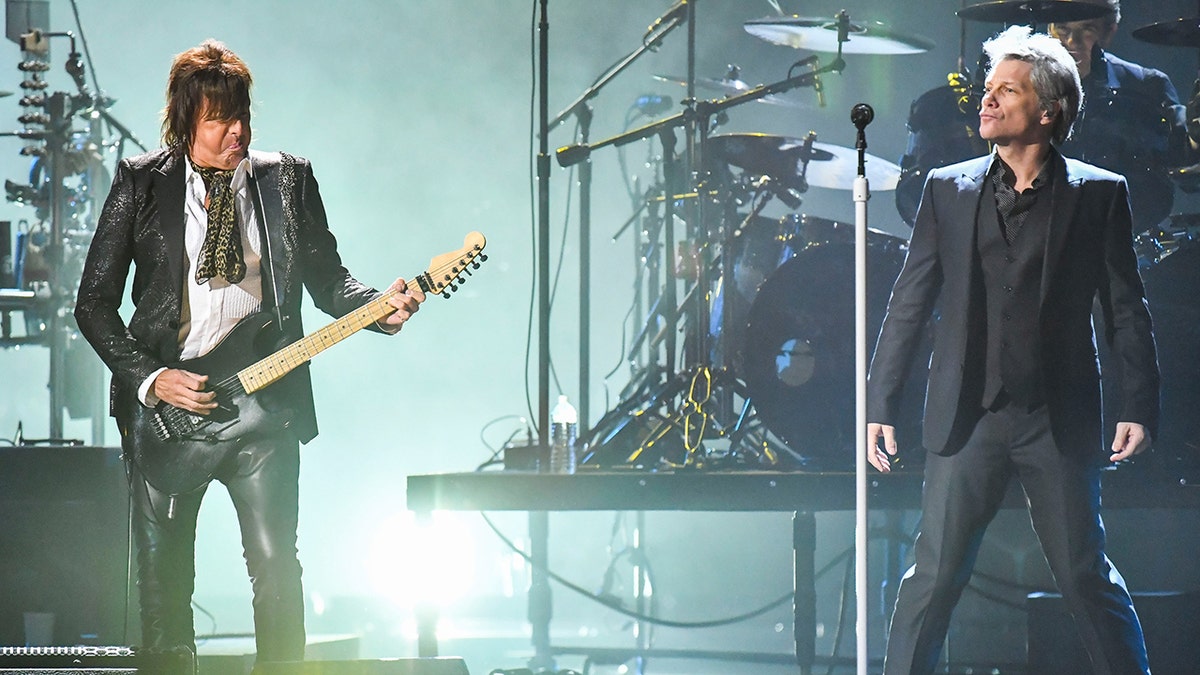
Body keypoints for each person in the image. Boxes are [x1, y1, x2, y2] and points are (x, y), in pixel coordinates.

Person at [73, 40, 424, 665]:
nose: (236, 132)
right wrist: (152, 378)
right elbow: (93, 304)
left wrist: (379, 309)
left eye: (243, 117)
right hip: (170, 415)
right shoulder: (141, 183)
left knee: (276, 570)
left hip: (267, 404)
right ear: (185, 123)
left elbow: (328, 280)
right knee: (164, 586)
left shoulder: (287, 180)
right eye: (218, 120)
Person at [866, 25, 1159, 675]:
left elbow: (1124, 309)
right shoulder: (946, 187)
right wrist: (878, 402)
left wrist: (1138, 401)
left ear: (1049, 111)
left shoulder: (1099, 193)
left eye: (1007, 90)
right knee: (934, 575)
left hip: (1056, 415)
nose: (987, 101)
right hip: (967, 413)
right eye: (988, 88)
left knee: (1086, 576)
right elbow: (908, 302)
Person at [1049, 0, 1195, 233]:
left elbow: (1184, 157)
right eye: (1063, 28)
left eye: (1087, 29)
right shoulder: (1025, 88)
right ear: (1049, 29)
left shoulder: (1148, 86)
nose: (1070, 41)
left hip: (1123, 237)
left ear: (1109, 32)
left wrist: (1194, 138)